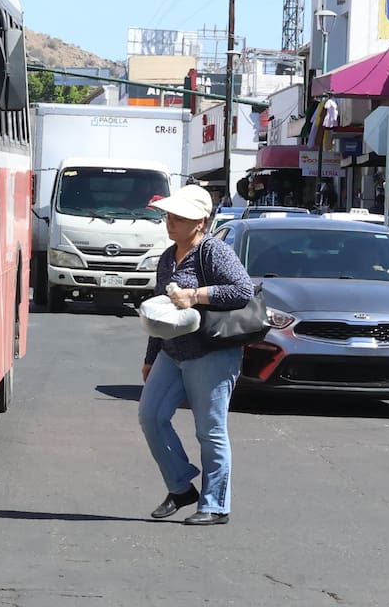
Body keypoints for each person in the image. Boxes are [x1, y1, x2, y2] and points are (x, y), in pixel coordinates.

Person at [138, 184, 253, 526]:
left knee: (210, 430)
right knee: (151, 416)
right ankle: (180, 487)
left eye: (179, 216)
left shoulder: (213, 251)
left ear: (200, 221)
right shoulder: (166, 257)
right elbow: (160, 311)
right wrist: (150, 355)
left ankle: (215, 505)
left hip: (211, 352)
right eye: (169, 215)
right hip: (171, 352)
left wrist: (196, 295)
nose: (170, 222)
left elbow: (242, 290)